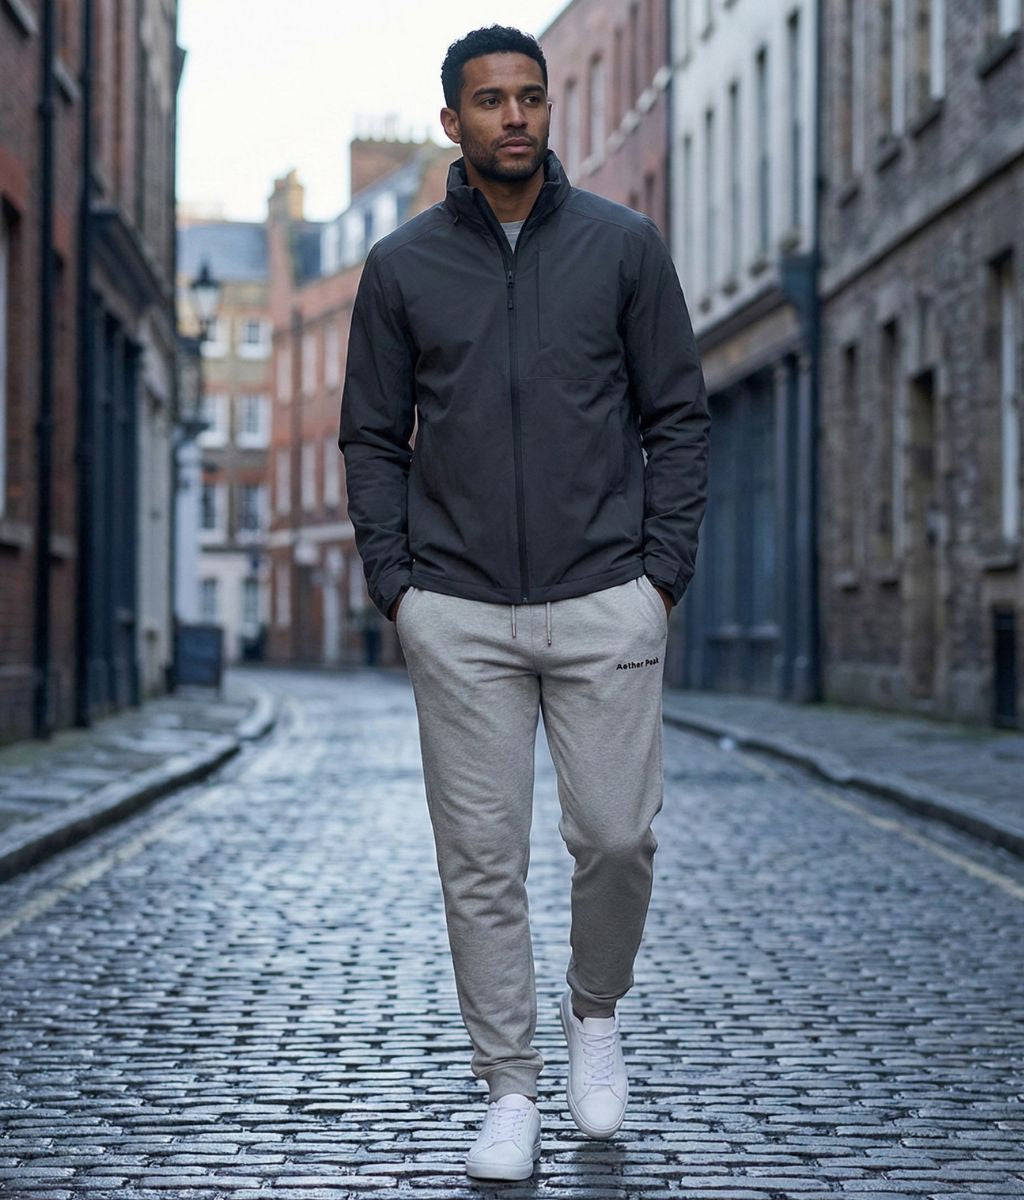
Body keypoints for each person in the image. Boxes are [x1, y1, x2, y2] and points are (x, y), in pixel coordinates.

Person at [339, 23, 709, 1182]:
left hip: (606, 598)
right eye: (491, 100)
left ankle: (594, 1010)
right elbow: (370, 437)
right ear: (452, 121)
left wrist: (659, 577)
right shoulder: (401, 266)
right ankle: (509, 1088)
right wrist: (398, 587)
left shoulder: (623, 247)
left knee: (616, 838)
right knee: (481, 862)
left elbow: (677, 417)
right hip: (456, 609)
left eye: (530, 97)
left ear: (549, 110)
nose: (514, 116)